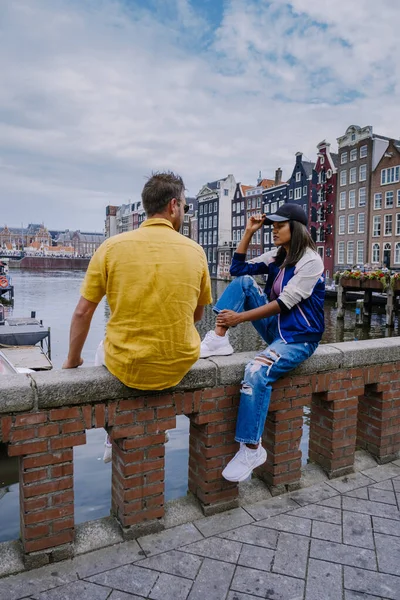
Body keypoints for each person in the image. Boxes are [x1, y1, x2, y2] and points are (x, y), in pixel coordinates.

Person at [63, 171, 212, 460]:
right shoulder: (196, 252)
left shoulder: (111, 247)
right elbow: (196, 314)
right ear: (173, 206)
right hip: (178, 364)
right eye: (184, 205)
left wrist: (71, 361)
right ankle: (159, 419)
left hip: (128, 365)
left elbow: (83, 312)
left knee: (101, 348)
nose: (183, 211)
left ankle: (111, 434)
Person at [200, 203, 325, 482]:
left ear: (297, 228)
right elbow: (237, 269)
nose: (273, 231)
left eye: (279, 226)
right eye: (272, 226)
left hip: (299, 338)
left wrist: (240, 318)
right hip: (277, 331)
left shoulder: (310, 261)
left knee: (256, 371)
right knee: (244, 282)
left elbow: (284, 302)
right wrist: (248, 232)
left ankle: (251, 448)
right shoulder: (278, 256)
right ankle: (218, 339)